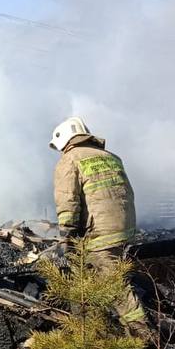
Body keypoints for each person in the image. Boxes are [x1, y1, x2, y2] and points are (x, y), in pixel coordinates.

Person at [50, 115, 151, 336]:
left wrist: (66, 238)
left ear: (65, 141)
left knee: (113, 286)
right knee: (101, 276)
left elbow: (68, 203)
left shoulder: (70, 160)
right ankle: (100, 330)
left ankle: (143, 336)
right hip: (124, 229)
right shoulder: (111, 157)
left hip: (101, 233)